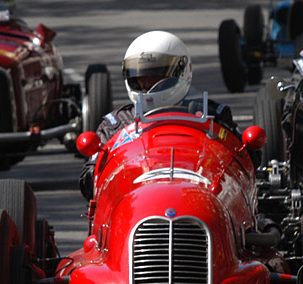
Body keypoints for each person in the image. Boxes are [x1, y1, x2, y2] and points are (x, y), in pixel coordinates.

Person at [79, 31, 233, 199]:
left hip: (199, 195)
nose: (145, 84)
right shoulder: (116, 124)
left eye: (155, 77)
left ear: (182, 72)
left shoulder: (213, 116)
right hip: (135, 203)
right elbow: (89, 184)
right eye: (140, 77)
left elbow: (242, 166)